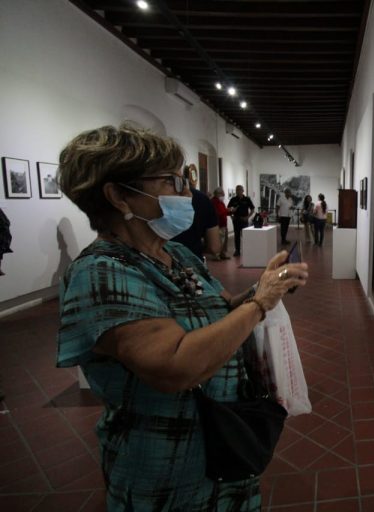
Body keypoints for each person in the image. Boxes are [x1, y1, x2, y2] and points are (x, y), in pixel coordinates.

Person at [55, 124, 309, 511]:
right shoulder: (101, 272)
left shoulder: (178, 255)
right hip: (167, 463)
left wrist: (263, 288)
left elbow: (222, 310)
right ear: (118, 195)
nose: (186, 192)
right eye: (172, 181)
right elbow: (175, 365)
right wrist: (259, 305)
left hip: (221, 441)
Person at [170, 164, 220, 261]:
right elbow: (214, 246)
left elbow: (215, 247)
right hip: (192, 260)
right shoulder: (202, 199)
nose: (188, 195)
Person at [227, 185, 255, 257]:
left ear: (243, 191)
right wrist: (231, 216)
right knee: (237, 236)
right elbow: (228, 209)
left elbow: (252, 209)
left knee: (245, 235)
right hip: (236, 220)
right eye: (237, 190)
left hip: (244, 220)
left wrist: (248, 217)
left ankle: (247, 250)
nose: (238, 191)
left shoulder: (247, 199)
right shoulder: (233, 200)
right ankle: (237, 250)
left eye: (240, 190)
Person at [210, 187, 230, 259]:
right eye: (222, 194)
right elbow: (217, 213)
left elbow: (223, 211)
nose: (224, 195)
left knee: (224, 240)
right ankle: (217, 255)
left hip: (223, 224)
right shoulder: (214, 202)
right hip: (218, 225)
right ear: (217, 194)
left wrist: (228, 211)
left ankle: (223, 254)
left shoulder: (221, 202)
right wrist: (226, 210)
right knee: (219, 240)